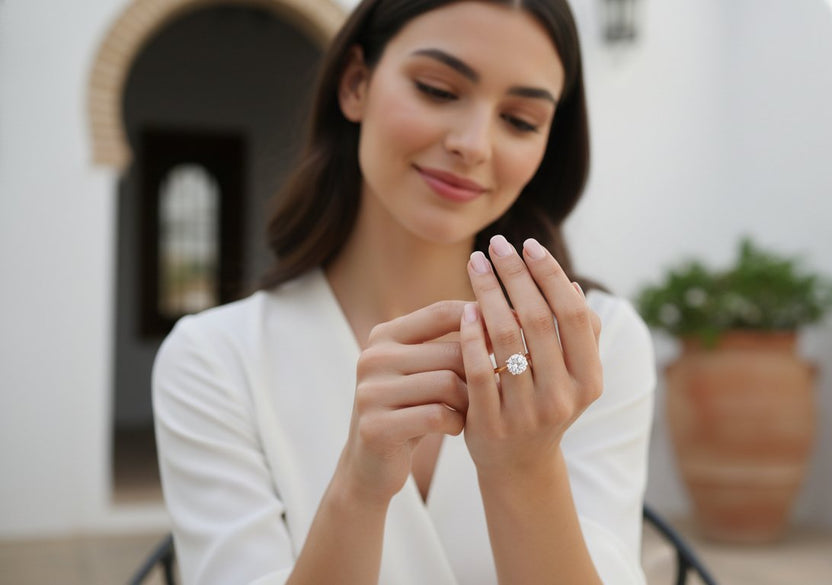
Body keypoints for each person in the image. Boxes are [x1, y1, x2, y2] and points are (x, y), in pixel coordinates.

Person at [152, 0, 655, 583]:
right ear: (355, 84)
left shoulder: (596, 345)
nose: (474, 144)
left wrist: (525, 468)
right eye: (438, 90)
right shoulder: (214, 358)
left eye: (520, 120)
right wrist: (357, 490)